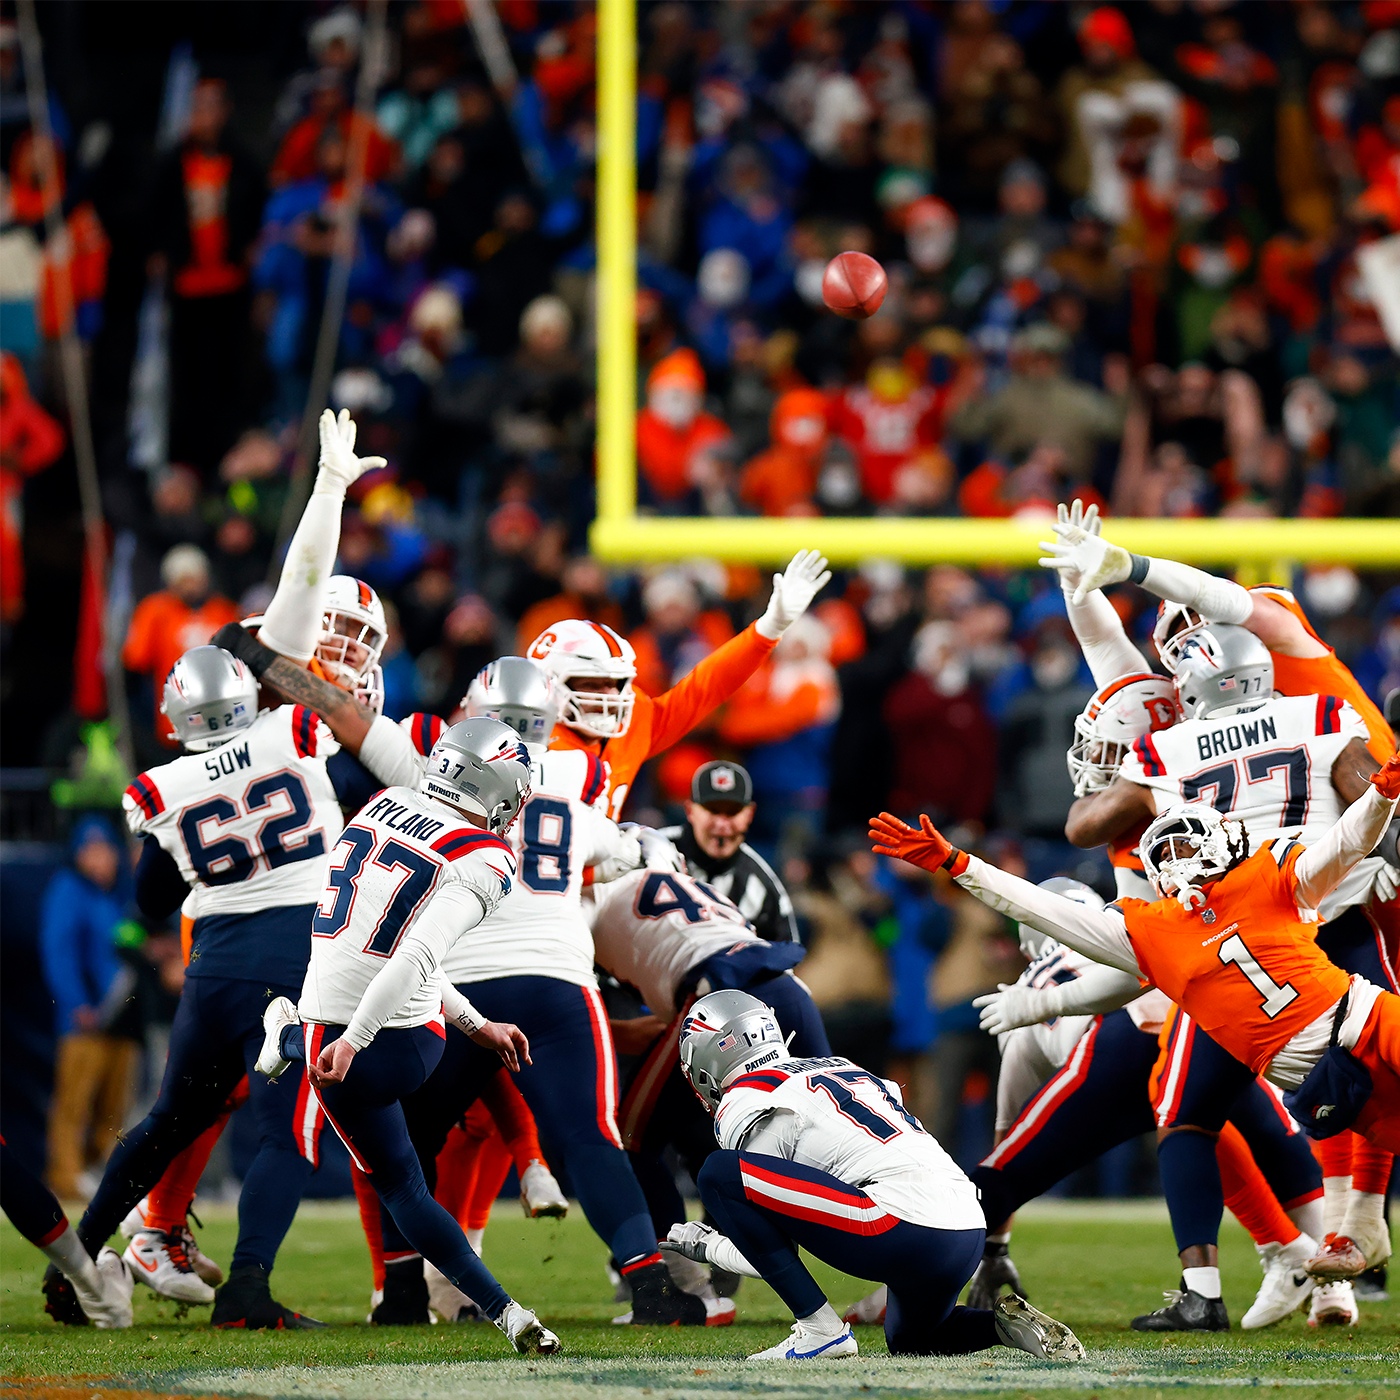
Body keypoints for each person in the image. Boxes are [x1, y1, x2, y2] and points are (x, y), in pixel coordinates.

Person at [868, 754, 1400, 1296]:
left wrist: (1382, 793)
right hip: (1317, 1074)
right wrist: (959, 864)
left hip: (1370, 1018)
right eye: (1163, 851)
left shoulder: (1269, 871)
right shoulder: (1149, 929)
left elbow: (1345, 843)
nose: (1176, 858)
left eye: (1186, 843)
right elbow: (1039, 909)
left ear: (1223, 838)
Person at [1045, 504, 1398, 1302]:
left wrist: (1116, 569)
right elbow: (1363, 806)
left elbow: (1081, 820)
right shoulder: (1319, 712)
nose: (1170, 663)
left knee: (1198, 1099)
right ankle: (1337, 1245)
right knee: (1351, 1069)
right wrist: (1087, 580)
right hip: (1331, 891)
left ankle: (1305, 1248)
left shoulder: (1184, 730)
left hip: (1260, 925)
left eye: (1182, 646)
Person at [43, 644, 380, 1331]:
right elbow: (359, 761)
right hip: (297, 957)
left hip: (218, 965)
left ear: (177, 717)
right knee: (287, 1135)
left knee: (172, 1118)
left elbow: (150, 896)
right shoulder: (292, 729)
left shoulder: (163, 783)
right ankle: (248, 1290)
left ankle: (73, 1265)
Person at [256, 718, 561, 1356]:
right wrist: (445, 1029)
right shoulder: (488, 854)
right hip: (410, 1040)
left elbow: (390, 951)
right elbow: (414, 955)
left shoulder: (378, 806)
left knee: (400, 1187)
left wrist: (352, 1038)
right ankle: (511, 1315)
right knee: (406, 1184)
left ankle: (285, 1035)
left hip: (337, 1035)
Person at [660, 989, 1085, 1362]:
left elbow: (771, 1252)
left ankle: (820, 1333)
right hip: (967, 1226)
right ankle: (1001, 1328)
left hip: (901, 1226)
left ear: (708, 1057)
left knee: (718, 1173)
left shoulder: (746, 1096)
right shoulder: (837, 1066)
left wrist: (709, 1245)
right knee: (916, 1339)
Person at [589, 835, 828, 1287]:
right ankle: (900, 1278)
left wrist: (617, 1032)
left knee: (632, 1140)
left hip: (717, 1003)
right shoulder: (677, 876)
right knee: (841, 1126)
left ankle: (684, 1283)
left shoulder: (585, 901)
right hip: (790, 992)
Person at [528, 548, 831, 821]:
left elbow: (704, 687)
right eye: (592, 684)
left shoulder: (632, 722)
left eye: (616, 684)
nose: (611, 696)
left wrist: (769, 627)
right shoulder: (525, 748)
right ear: (551, 686)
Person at [41, 815, 139, 1202]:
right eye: (90, 851)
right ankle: (65, 1178)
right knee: (74, 1102)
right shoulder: (68, 889)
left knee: (115, 1106)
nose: (100, 859)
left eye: (105, 851)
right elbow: (58, 953)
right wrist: (75, 1002)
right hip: (84, 1019)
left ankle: (101, 1174)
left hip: (122, 1017)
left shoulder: (117, 894)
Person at [658, 760, 799, 943]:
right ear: (690, 811)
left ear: (750, 814)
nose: (722, 824)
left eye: (732, 812)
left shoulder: (762, 885)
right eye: (712, 810)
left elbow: (785, 960)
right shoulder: (653, 850)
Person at [122, 546, 241, 751]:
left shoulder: (223, 611)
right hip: (174, 719)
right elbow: (135, 659)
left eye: (194, 578)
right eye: (183, 580)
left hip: (222, 717)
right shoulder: (156, 610)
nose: (190, 586)